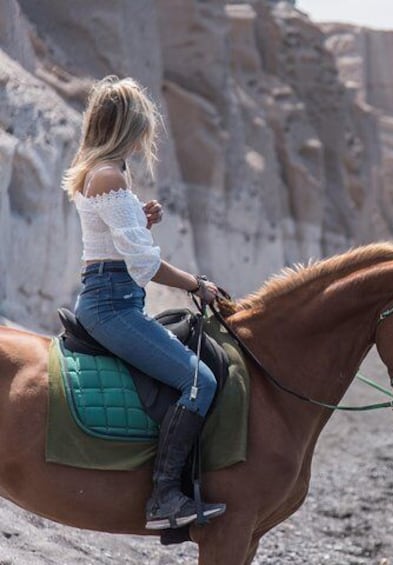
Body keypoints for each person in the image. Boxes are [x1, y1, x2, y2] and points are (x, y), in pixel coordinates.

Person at [63, 76, 226, 530]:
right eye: (141, 129)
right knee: (200, 380)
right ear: (127, 127)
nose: (143, 139)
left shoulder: (101, 173)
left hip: (111, 295)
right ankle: (164, 498)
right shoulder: (110, 177)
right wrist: (198, 285)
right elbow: (144, 265)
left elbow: (115, 245)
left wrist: (140, 218)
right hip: (112, 303)